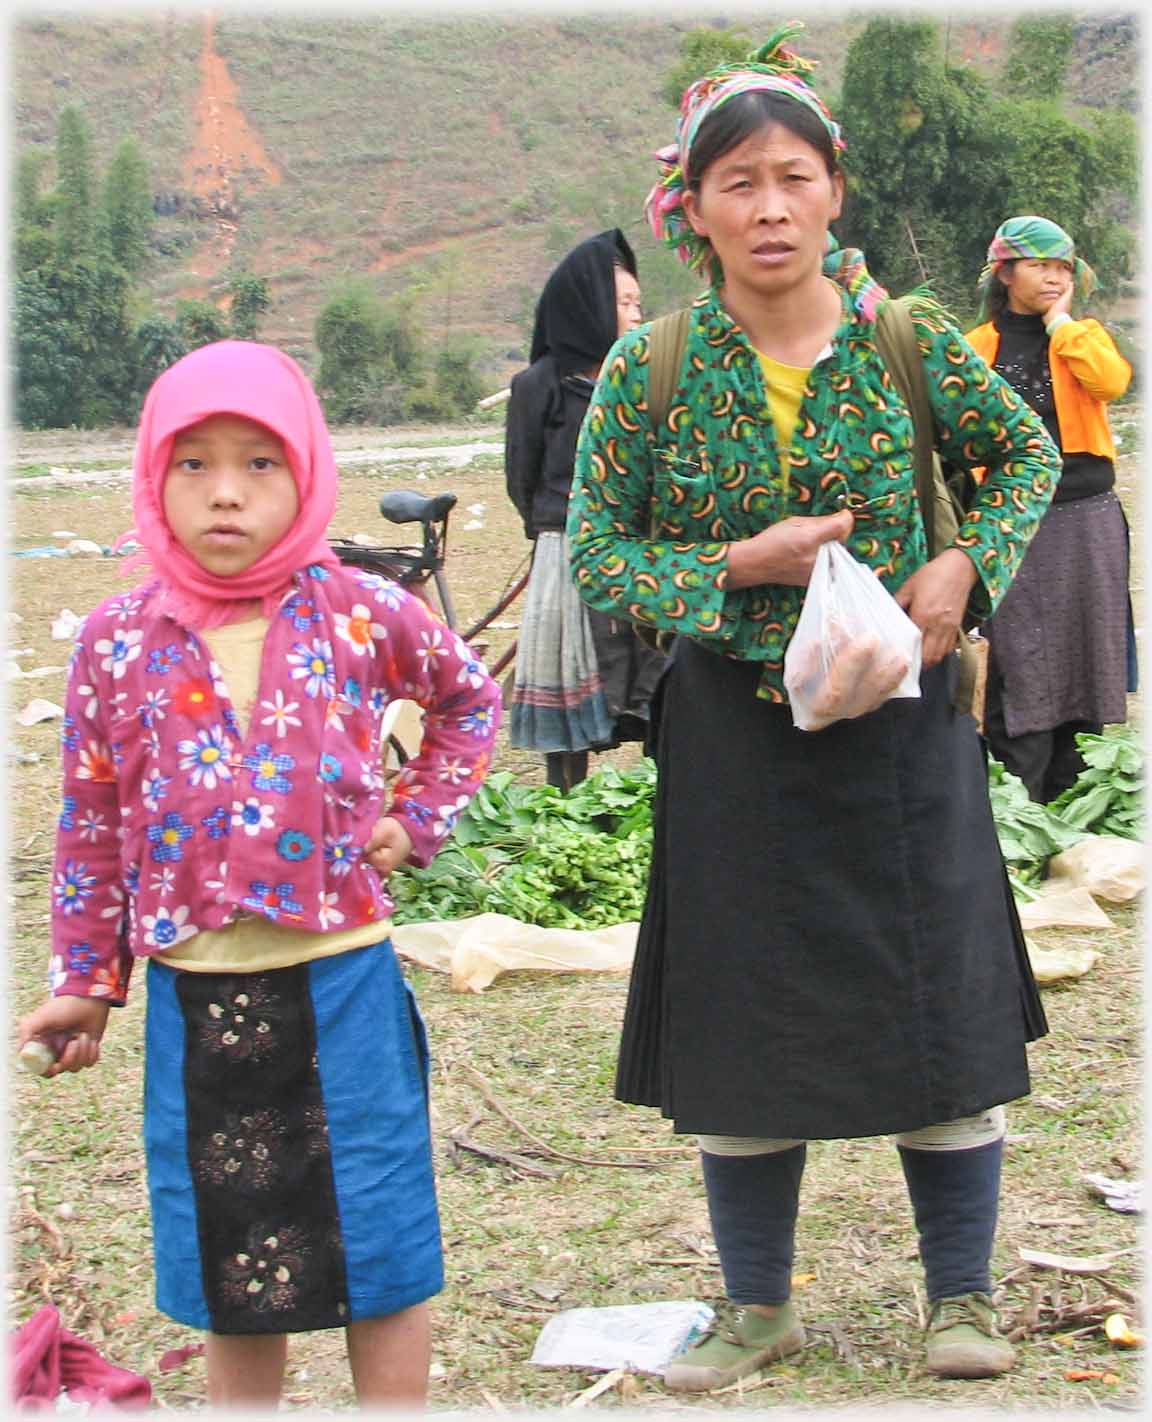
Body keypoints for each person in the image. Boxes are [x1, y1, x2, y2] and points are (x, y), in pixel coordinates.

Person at [567, 25, 1062, 1391]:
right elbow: (600, 548)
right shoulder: (650, 371)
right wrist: (737, 562)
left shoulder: (908, 341)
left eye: (792, 176)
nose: (769, 207)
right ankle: (754, 1304)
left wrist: (964, 564)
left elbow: (1028, 455)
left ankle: (962, 1297)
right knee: (743, 1013)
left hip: (900, 723)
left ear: (833, 187)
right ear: (694, 210)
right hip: (734, 727)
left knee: (938, 999)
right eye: (738, 183)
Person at [16, 341, 502, 1410]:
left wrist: (414, 818)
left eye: (259, 463)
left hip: (347, 990)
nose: (226, 492)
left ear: (308, 475)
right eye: (192, 464)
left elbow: (468, 704)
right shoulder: (114, 641)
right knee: (237, 1258)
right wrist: (86, 982)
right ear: (151, 476)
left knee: (381, 1242)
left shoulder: (361, 612)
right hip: (201, 1004)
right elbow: (93, 823)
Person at [966, 216, 1134, 802]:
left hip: (1088, 517)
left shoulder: (1081, 335)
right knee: (1020, 656)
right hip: (1014, 522)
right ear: (1006, 272)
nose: (1053, 277)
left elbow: (1112, 383)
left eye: (1063, 267)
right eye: (1040, 265)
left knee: (1090, 650)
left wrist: (1061, 323)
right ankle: (1020, 794)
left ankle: (1078, 790)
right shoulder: (977, 348)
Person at [505, 228, 666, 791]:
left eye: (638, 303)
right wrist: (558, 528)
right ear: (588, 304)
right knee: (570, 690)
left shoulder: (642, 375)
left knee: (651, 680)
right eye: (623, 303)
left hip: (637, 548)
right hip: (565, 551)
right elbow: (521, 478)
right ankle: (562, 805)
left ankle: (653, 803)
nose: (634, 314)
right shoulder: (538, 385)